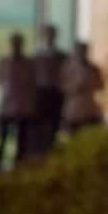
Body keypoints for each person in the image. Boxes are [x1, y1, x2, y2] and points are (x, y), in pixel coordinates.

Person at [0, 32, 34, 169]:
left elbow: (30, 82)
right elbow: (0, 79)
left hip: (22, 102)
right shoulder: (4, 61)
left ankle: (19, 161)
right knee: (2, 135)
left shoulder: (28, 63)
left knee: (21, 137)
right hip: (8, 101)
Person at [32, 24, 67, 153]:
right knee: (39, 125)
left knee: (54, 124)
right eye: (47, 34)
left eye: (51, 34)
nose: (49, 37)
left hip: (56, 93)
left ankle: (51, 149)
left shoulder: (62, 56)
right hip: (40, 93)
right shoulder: (36, 56)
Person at [62, 39, 104, 133]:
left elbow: (101, 86)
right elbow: (63, 86)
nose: (81, 53)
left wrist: (90, 83)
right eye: (79, 50)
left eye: (83, 50)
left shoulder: (93, 68)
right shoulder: (68, 68)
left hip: (90, 108)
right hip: (74, 110)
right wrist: (77, 85)